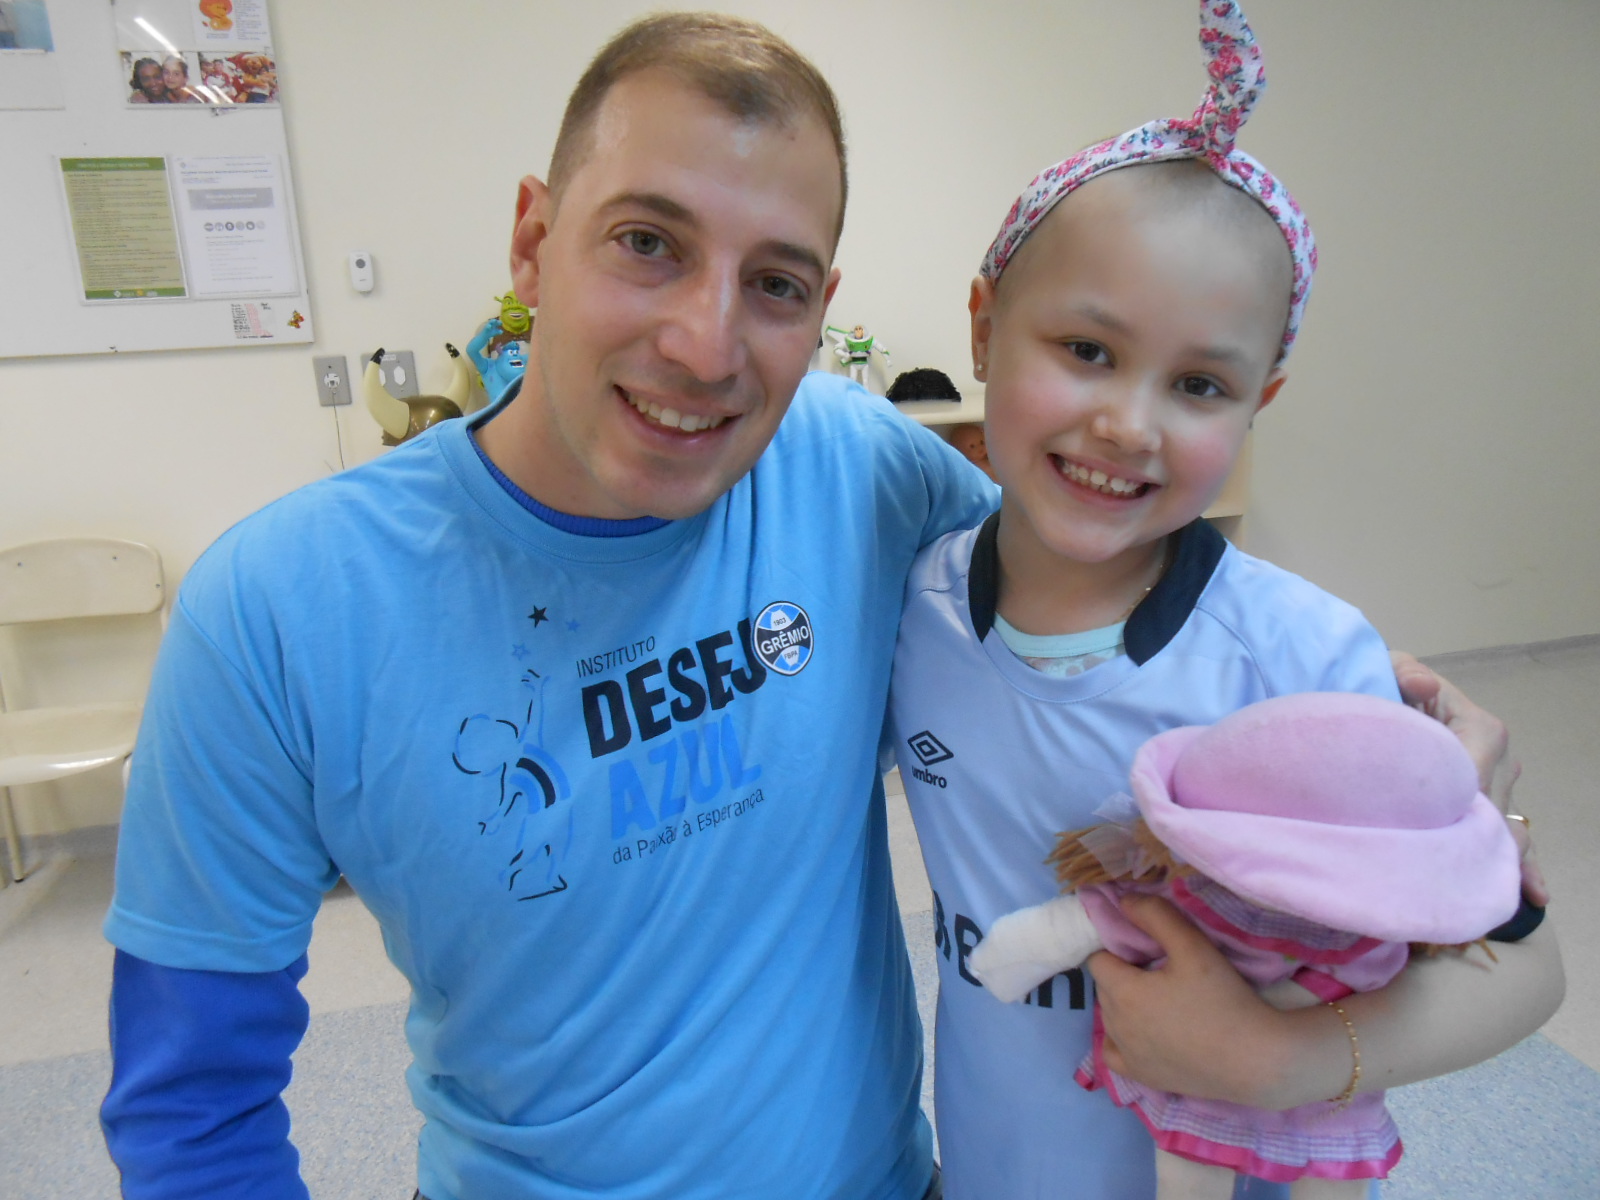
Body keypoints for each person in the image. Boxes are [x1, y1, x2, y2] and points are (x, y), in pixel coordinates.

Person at [97, 11, 1545, 1200]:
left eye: (775, 283)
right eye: (647, 241)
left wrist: (1396, 757)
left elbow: (1095, 588)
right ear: (533, 239)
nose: (705, 342)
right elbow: (191, 1115)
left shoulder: (859, 477)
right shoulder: (275, 611)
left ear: (823, 302)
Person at [887, 3, 1561, 1197]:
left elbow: (1524, 968)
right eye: (1086, 350)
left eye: (1198, 382)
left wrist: (1281, 1057)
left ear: (1262, 398)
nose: (1127, 423)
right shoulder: (914, 603)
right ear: (985, 326)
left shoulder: (1303, 662)